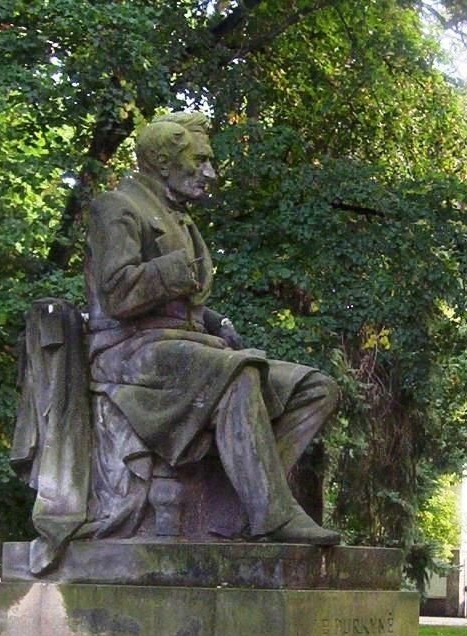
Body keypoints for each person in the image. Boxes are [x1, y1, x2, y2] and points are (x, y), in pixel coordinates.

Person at [85, 111, 340, 544]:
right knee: (238, 373)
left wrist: (215, 321)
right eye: (200, 161)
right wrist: (174, 270)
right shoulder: (119, 207)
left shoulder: (181, 219)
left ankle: (236, 504)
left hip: (186, 350)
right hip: (129, 353)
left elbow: (181, 304)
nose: (211, 173)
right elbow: (115, 293)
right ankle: (273, 515)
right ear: (164, 162)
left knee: (315, 388)